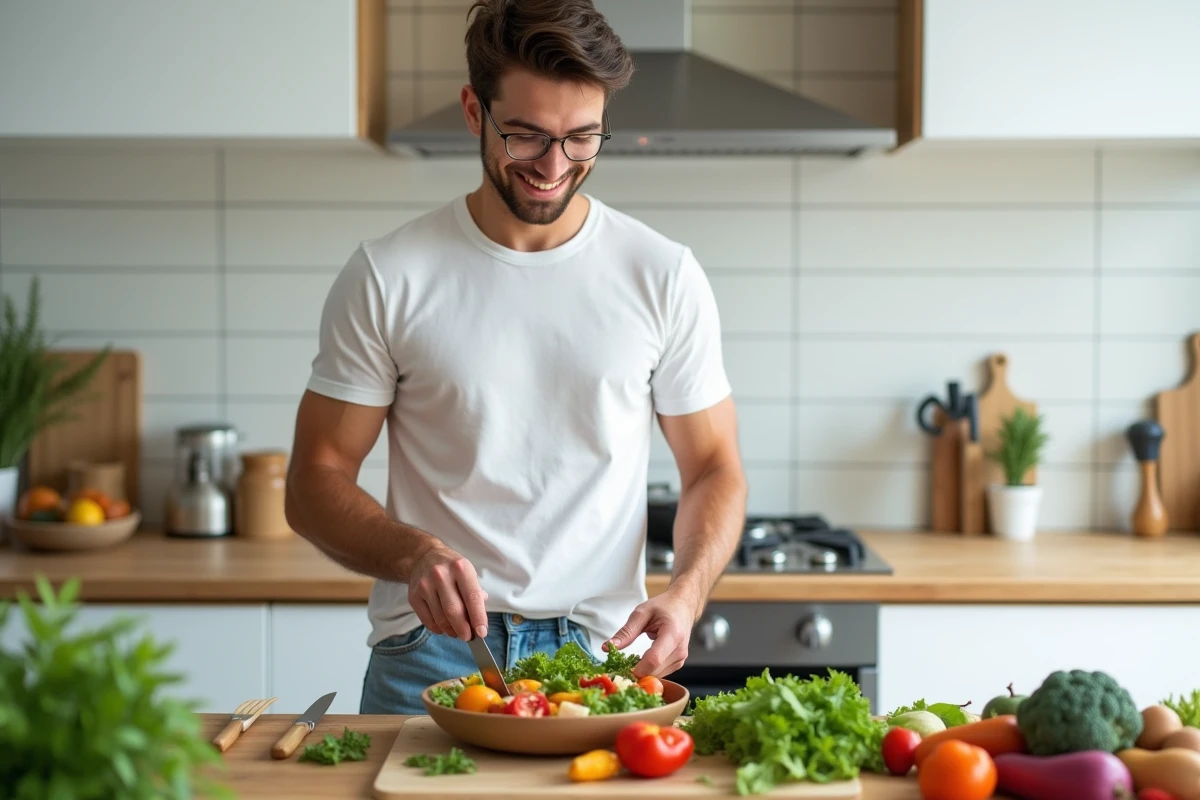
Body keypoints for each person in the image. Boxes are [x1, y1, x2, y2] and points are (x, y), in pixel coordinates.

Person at [285, 0, 748, 715]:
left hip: (602, 657)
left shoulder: (663, 275)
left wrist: (688, 592)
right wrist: (414, 556)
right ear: (475, 112)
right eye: (526, 137)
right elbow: (314, 481)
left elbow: (715, 466)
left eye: (583, 139)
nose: (554, 167)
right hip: (434, 657)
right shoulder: (389, 274)